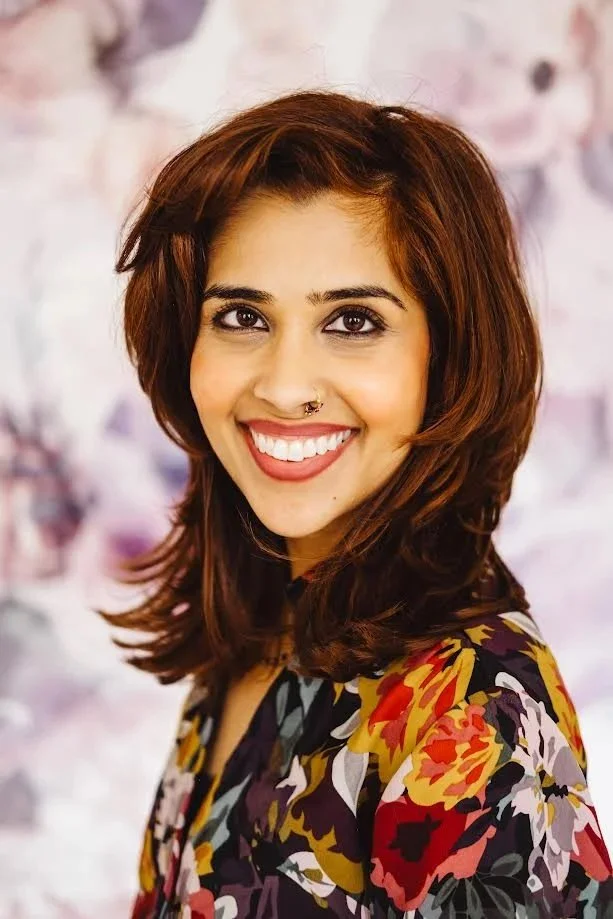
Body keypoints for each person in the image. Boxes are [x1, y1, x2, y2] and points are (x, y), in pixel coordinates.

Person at [102, 90, 613, 918]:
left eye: (351, 321)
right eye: (240, 316)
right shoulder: (260, 623)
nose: (284, 385)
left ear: (444, 362)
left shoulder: (475, 715)